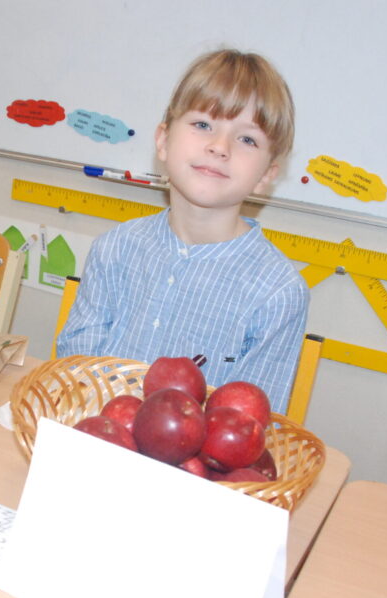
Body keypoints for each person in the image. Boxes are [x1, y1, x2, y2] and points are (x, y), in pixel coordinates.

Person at [56, 49, 308, 413]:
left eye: (247, 139)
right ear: (163, 141)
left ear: (266, 175)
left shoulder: (278, 294)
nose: (219, 147)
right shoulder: (114, 249)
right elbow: (75, 375)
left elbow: (247, 422)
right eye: (203, 125)